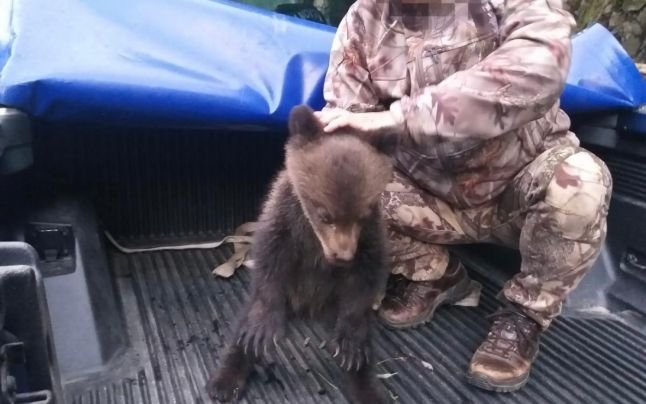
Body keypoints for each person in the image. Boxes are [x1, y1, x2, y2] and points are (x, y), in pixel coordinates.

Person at [314, 0, 612, 393]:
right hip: (425, 195)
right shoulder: (364, 18)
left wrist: (400, 118)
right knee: (341, 187)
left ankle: (524, 317)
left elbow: (539, 66)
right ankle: (436, 274)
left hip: (518, 189)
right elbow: (348, 122)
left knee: (581, 182)